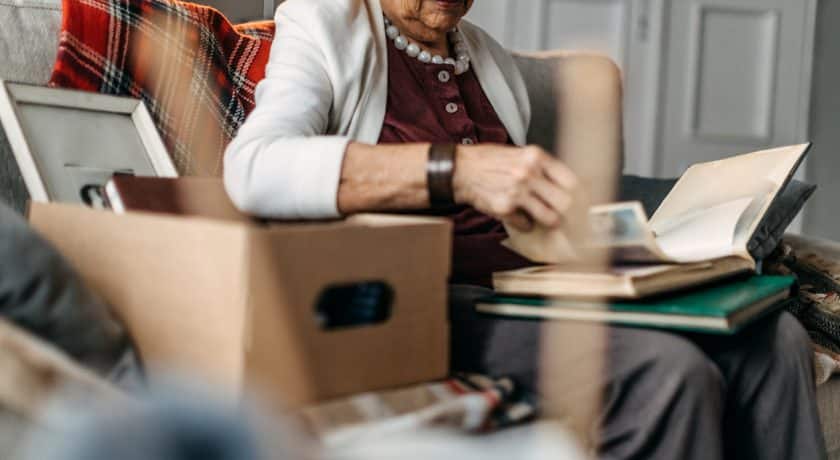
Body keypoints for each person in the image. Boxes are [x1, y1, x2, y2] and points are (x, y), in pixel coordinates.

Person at [223, 0, 826, 458]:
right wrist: (451, 171)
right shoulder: (326, 22)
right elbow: (255, 168)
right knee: (668, 370)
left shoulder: (486, 57)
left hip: (539, 285)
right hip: (426, 301)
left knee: (775, 341)